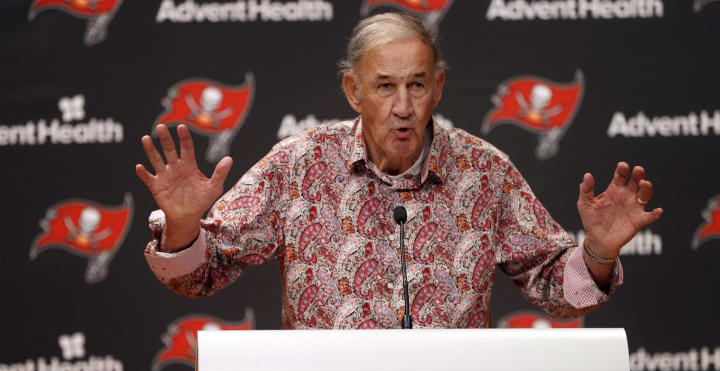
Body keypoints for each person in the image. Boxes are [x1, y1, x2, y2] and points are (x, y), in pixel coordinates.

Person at [136, 13, 662, 329]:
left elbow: (557, 290)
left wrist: (598, 252)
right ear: (353, 92)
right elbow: (198, 277)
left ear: (438, 88)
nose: (403, 106)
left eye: (416, 84)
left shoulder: (484, 172)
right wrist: (182, 228)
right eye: (385, 86)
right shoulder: (298, 165)